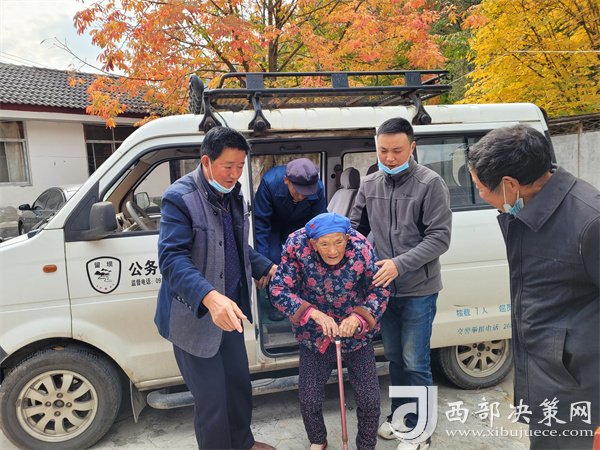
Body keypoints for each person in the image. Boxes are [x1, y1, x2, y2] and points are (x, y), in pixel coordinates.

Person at [467, 125, 599, 450]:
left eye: (481, 188)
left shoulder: (589, 222)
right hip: (546, 377)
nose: (481, 196)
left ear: (510, 185)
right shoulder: (528, 209)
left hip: (579, 387)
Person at [154, 126, 277, 450]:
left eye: (240, 166)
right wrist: (210, 298)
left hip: (229, 311)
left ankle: (243, 443)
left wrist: (266, 267)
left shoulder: (232, 194)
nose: (235, 174)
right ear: (206, 162)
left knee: (238, 387)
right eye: (228, 166)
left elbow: (234, 245)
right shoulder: (179, 198)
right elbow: (172, 259)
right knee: (212, 400)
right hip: (195, 316)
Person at [349, 117, 452, 450]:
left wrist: (398, 264)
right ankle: (402, 417)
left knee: (415, 362)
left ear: (412, 147)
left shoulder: (430, 184)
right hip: (383, 291)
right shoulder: (369, 184)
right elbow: (355, 230)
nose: (390, 158)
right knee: (394, 358)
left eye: (397, 150)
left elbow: (440, 238)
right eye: (383, 151)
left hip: (419, 289)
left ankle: (420, 431)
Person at [270, 212, 389, 450]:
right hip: (315, 334)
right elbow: (278, 289)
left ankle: (366, 445)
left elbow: (379, 290)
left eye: (338, 242)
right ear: (313, 244)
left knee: (369, 399)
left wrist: (358, 317)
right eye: (324, 244)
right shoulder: (297, 245)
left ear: (347, 238)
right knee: (309, 398)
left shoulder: (361, 247)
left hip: (355, 333)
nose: (333, 251)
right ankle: (318, 440)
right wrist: (313, 314)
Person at [254, 157, 327, 320]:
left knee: (304, 258)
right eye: (298, 191)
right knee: (273, 259)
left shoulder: (318, 187)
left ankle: (303, 300)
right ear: (286, 180)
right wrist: (262, 265)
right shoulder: (269, 182)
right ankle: (276, 301)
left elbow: (319, 221)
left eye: (306, 193)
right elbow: (261, 224)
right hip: (273, 223)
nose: (301, 196)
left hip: (300, 224)